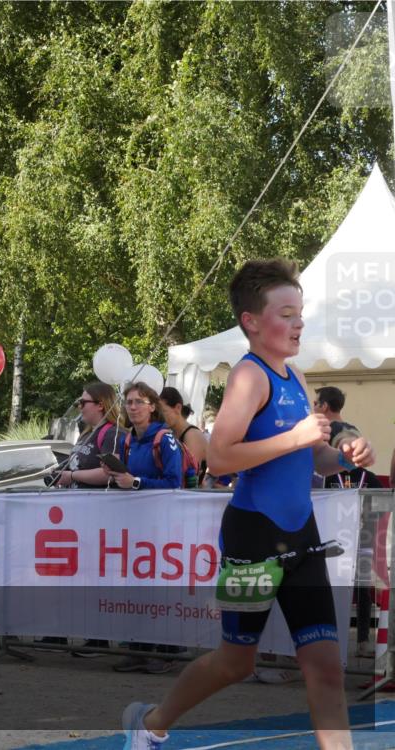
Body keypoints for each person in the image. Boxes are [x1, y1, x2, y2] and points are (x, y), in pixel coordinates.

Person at [123, 258, 376, 750]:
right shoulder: (248, 377)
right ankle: (151, 721)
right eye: (286, 313)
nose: (298, 322)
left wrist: (342, 453)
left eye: (300, 313)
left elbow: (311, 459)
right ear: (252, 322)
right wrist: (296, 438)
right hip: (254, 538)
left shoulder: (295, 378)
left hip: (300, 536)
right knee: (236, 662)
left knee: (324, 665)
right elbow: (218, 460)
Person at [106, 381, 184, 674]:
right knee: (136, 587)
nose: (133, 407)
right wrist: (115, 474)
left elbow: (174, 482)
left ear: (153, 406)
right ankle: (138, 650)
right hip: (136, 525)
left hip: (163, 526)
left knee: (159, 588)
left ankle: (167, 653)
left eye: (139, 401)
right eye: (129, 402)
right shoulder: (128, 440)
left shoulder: (164, 438)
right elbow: (128, 478)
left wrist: (136, 483)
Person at [53, 382, 123, 489]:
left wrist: (72, 476)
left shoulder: (113, 434)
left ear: (100, 405)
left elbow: (111, 474)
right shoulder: (87, 433)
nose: (79, 407)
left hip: (96, 503)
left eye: (83, 402)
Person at [158, 387, 205, 488]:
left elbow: (189, 473)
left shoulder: (192, 435)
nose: (159, 417)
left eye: (163, 411)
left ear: (178, 408)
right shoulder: (170, 433)